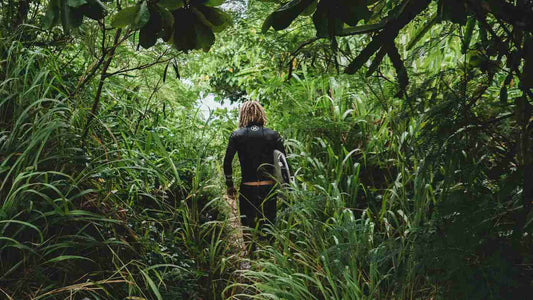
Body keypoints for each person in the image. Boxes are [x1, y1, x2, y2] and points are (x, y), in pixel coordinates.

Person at [223, 101, 287, 239]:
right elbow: (283, 163)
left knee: (248, 227)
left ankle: (251, 258)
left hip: (248, 187)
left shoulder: (237, 135)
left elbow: (227, 162)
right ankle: (270, 257)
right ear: (261, 114)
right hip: (268, 188)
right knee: (269, 227)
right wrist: (286, 188)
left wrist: (230, 185)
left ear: (243, 114)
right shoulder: (273, 135)